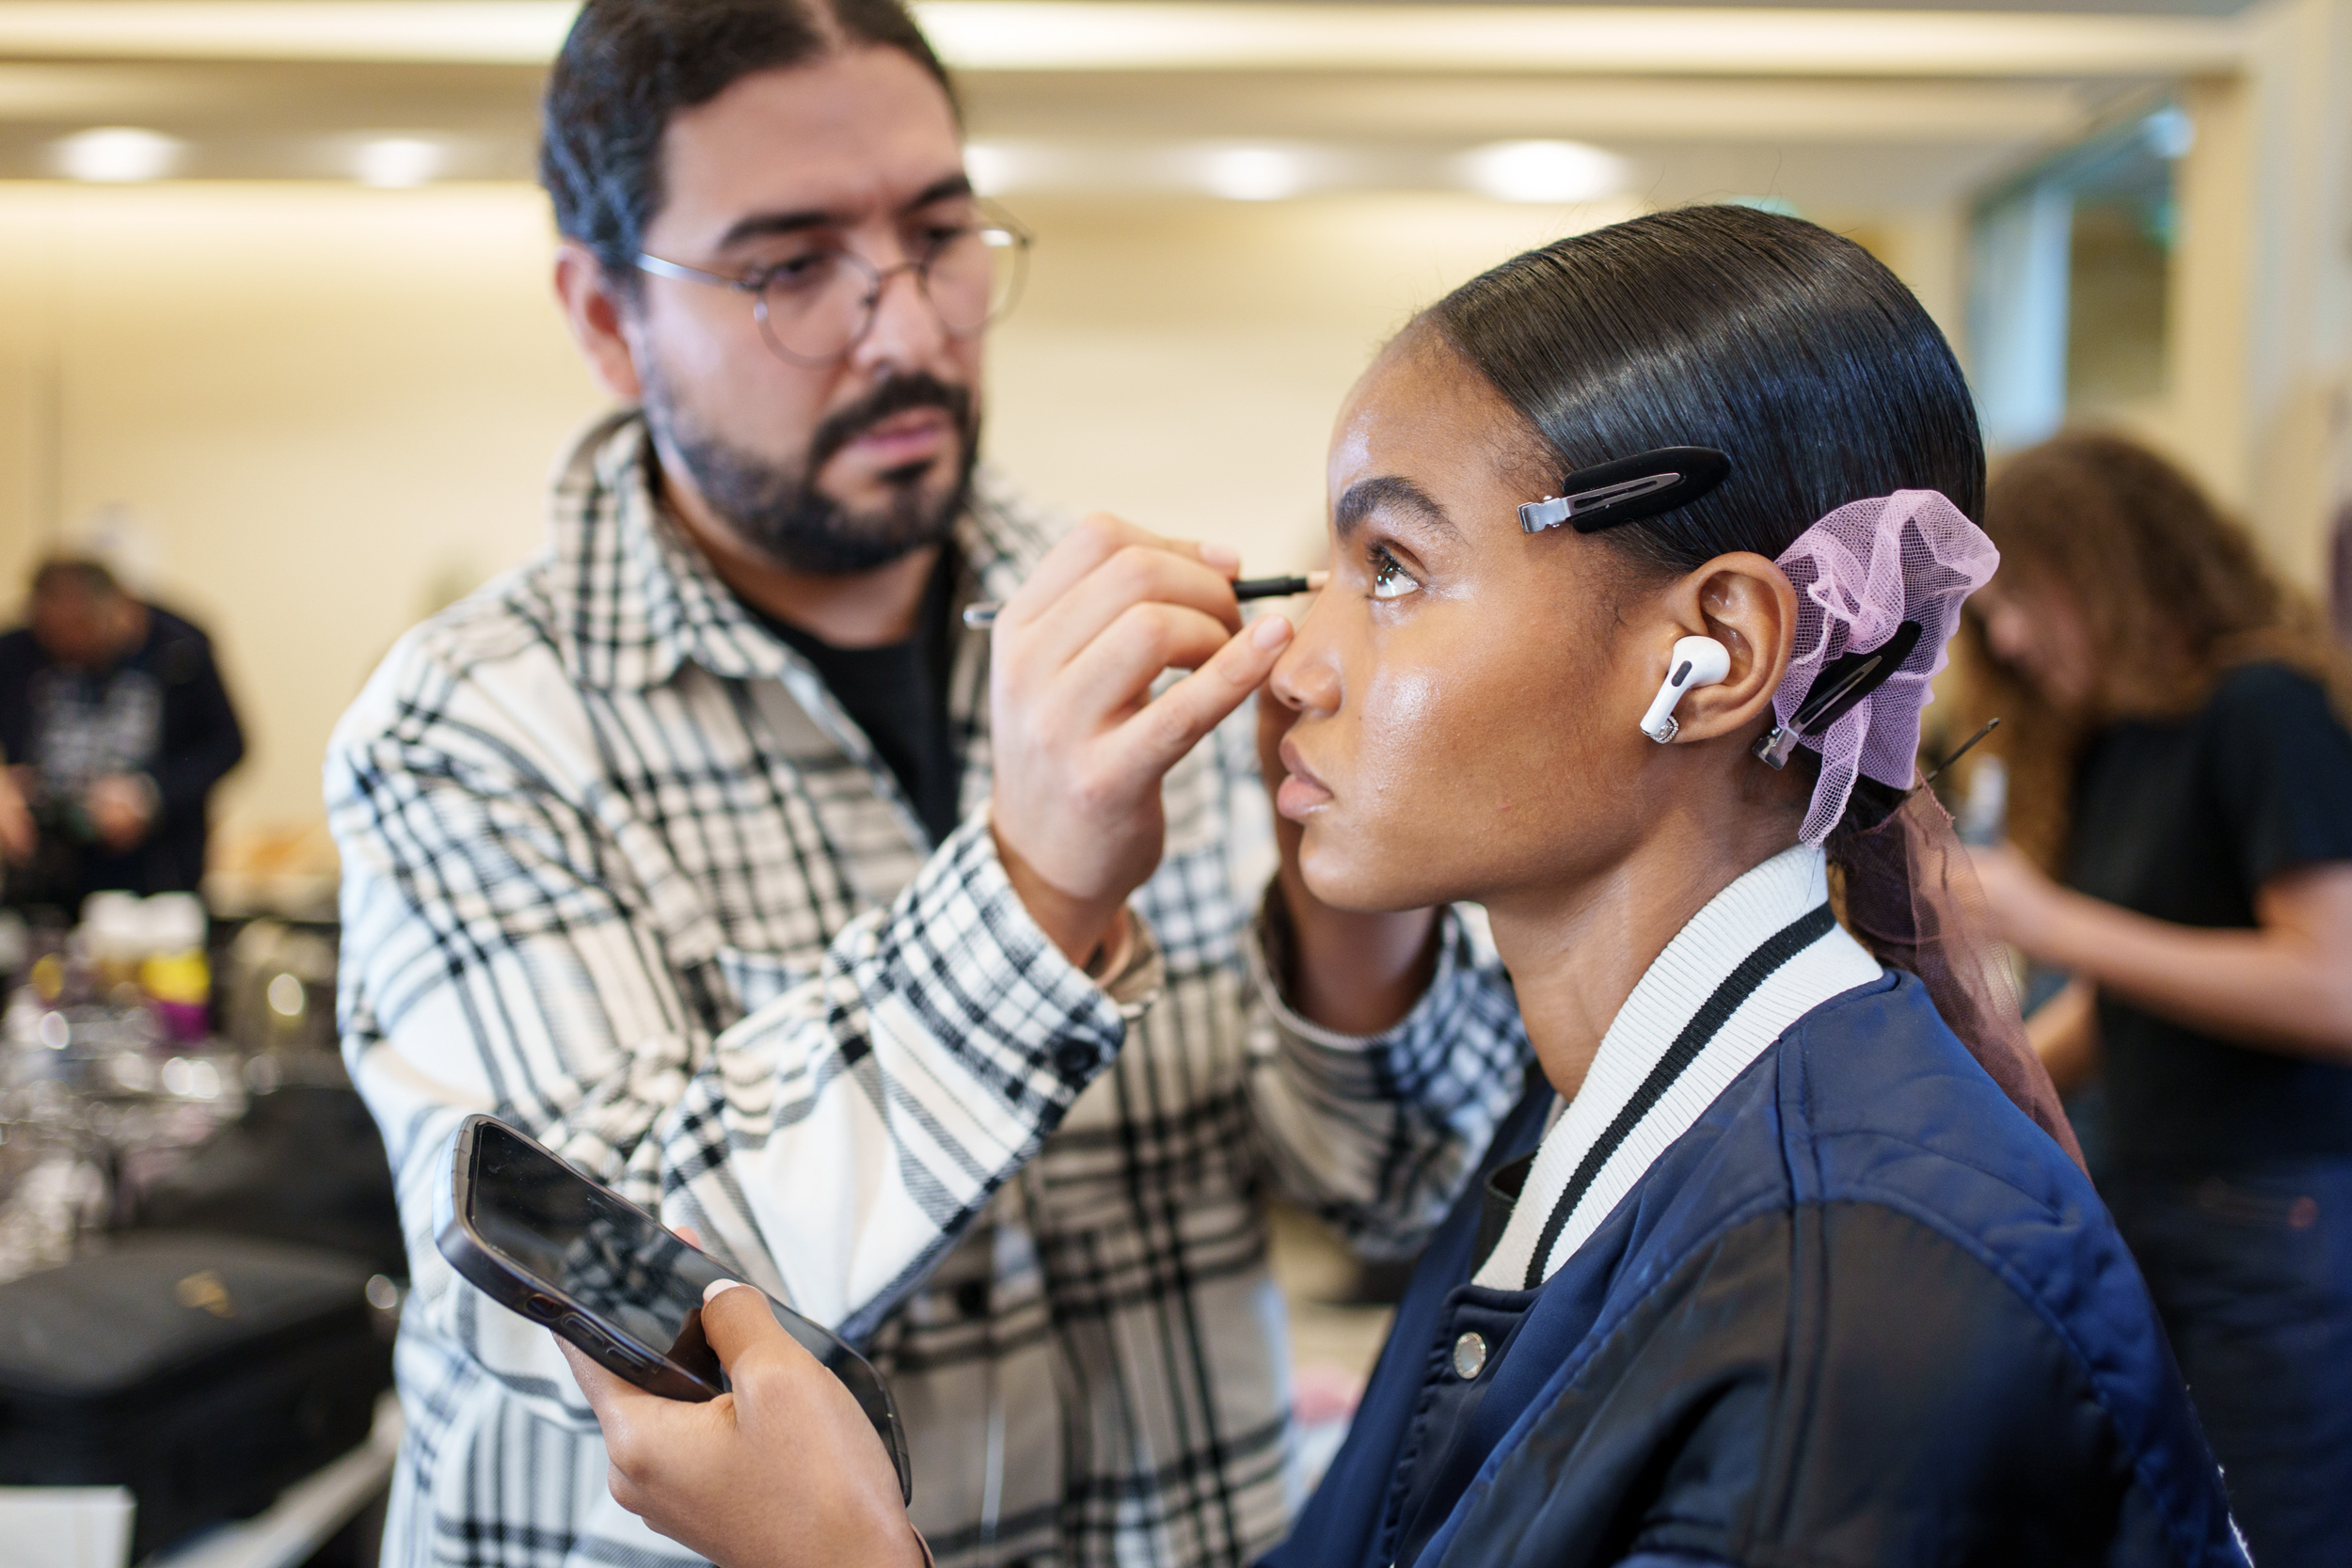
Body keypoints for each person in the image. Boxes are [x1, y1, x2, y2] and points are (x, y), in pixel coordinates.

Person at [551, 207, 2249, 1568]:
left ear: (1713, 648)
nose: (1289, 662)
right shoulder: (1603, 1125)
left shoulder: (1855, 1294)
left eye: (1395, 567)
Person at [326, 2, 1523, 1565]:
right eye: (790, 266)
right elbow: (599, 1320)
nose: (905, 330)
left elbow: (1391, 1200)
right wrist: (1035, 891)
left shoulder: (1130, 627)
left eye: (941, 234)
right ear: (609, 318)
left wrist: (1339, 903)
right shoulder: (467, 729)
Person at [1963, 432, 2352, 1568]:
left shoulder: (2264, 709)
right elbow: (2131, 997)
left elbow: (2331, 983)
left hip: (2267, 1221)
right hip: (2149, 1194)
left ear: (2111, 565)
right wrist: (1972, 1086)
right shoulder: (2116, 739)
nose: (2012, 637)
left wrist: (2051, 921)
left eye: (2025, 598)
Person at [0, 556, 246, 913]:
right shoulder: (17, 650)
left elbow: (228, 745)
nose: (67, 644)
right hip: (44, 876)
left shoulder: (181, 648)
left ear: (121, 605)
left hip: (155, 878)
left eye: (80, 627)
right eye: (50, 632)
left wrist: (151, 795)